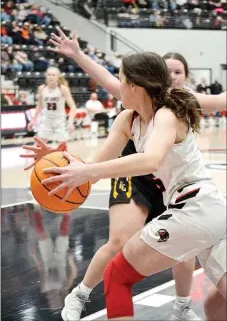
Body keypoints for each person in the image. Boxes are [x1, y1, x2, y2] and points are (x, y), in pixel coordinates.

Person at [21, 28, 226, 320]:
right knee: (217, 305)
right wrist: (55, 160)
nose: (117, 84)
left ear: (136, 86)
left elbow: (151, 160)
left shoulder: (167, 113)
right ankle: (81, 294)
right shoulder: (128, 120)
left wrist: (88, 170)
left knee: (117, 276)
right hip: (209, 212)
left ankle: (179, 306)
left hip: (195, 206)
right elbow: (92, 165)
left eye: (122, 79)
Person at [26, 66, 77, 163]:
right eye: (49, 75)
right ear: (46, 76)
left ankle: (64, 165)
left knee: (62, 145)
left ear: (58, 76)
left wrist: (70, 122)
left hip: (59, 119)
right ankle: (37, 166)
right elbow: (40, 105)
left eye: (53, 75)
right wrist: (33, 120)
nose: (51, 77)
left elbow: (73, 106)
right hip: (46, 119)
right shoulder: (42, 88)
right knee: (40, 144)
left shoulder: (63, 89)